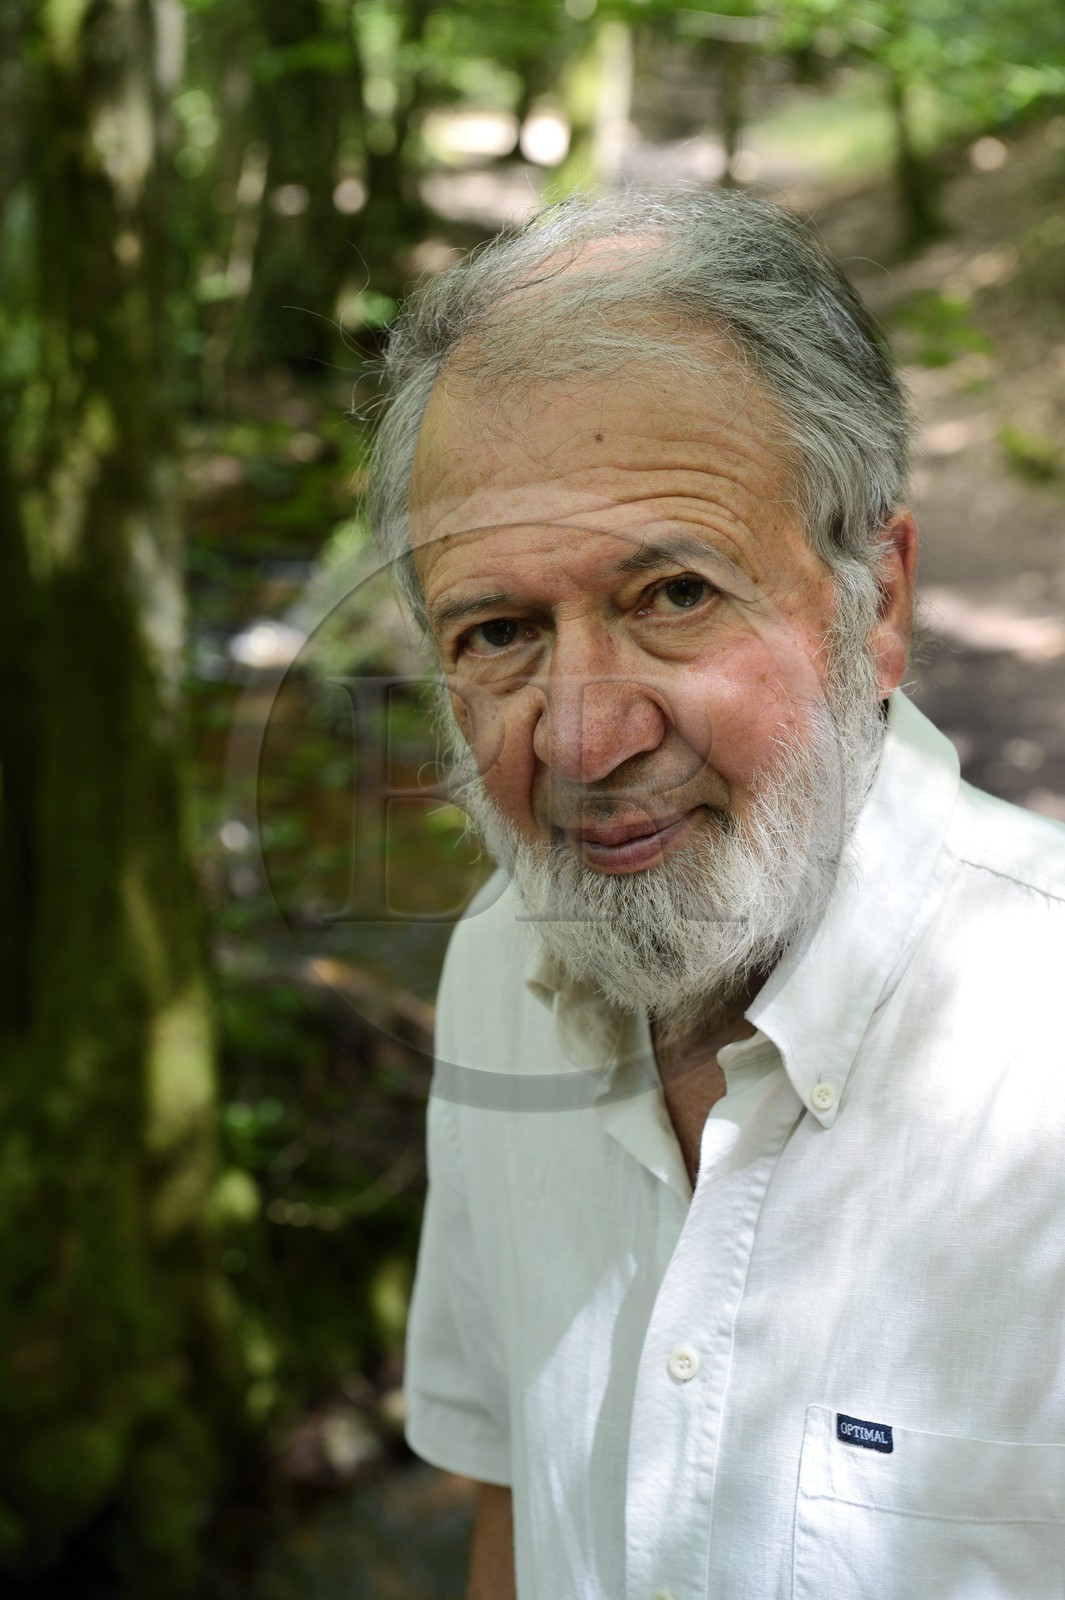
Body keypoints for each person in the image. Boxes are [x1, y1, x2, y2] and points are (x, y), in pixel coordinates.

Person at [369, 189, 1065, 1600]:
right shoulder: (496, 970)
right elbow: (513, 1504)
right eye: (498, 631)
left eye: (673, 595)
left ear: (874, 599)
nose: (583, 739)